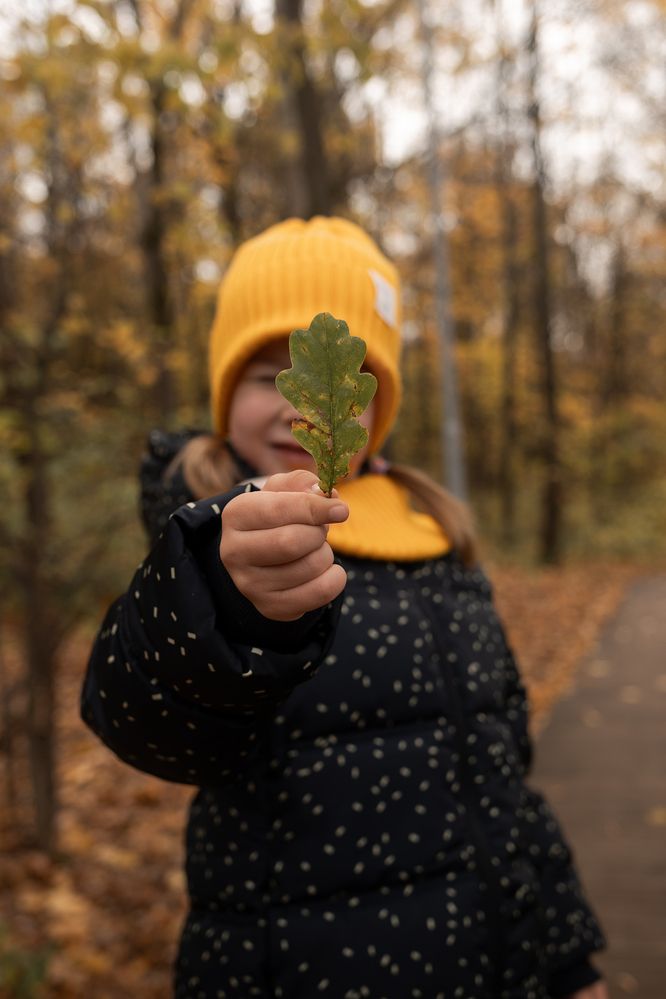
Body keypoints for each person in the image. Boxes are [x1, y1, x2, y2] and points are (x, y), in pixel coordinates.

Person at [81, 217, 607, 999]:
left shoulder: (436, 538)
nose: (301, 407)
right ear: (225, 393)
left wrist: (567, 959)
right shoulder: (207, 538)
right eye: (268, 375)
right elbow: (148, 715)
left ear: (375, 399)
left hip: (495, 963)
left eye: (334, 378)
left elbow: (505, 779)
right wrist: (233, 607)